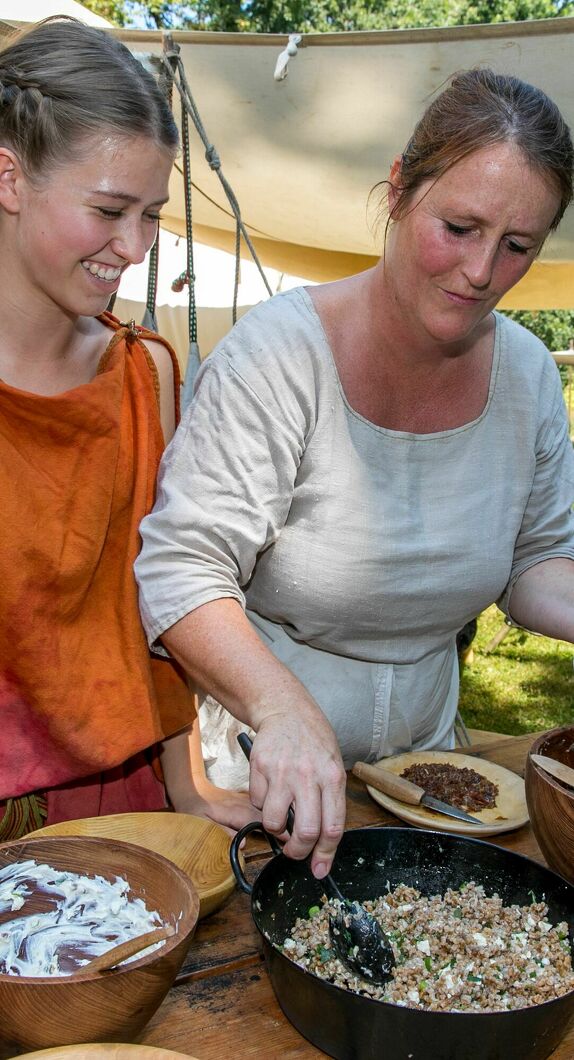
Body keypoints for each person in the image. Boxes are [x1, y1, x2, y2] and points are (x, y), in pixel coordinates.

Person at [135, 69, 574, 879]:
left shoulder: (528, 377)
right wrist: (282, 709)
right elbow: (180, 569)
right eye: (459, 226)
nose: (481, 272)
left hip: (434, 773)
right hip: (260, 768)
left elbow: (536, 563)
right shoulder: (278, 359)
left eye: (517, 247)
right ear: (399, 190)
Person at [0, 16, 256, 840]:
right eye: (110, 209)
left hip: (124, 799)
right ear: (8, 177)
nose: (136, 246)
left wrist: (191, 789)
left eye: (151, 215)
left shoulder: (149, 374)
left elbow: (151, 605)